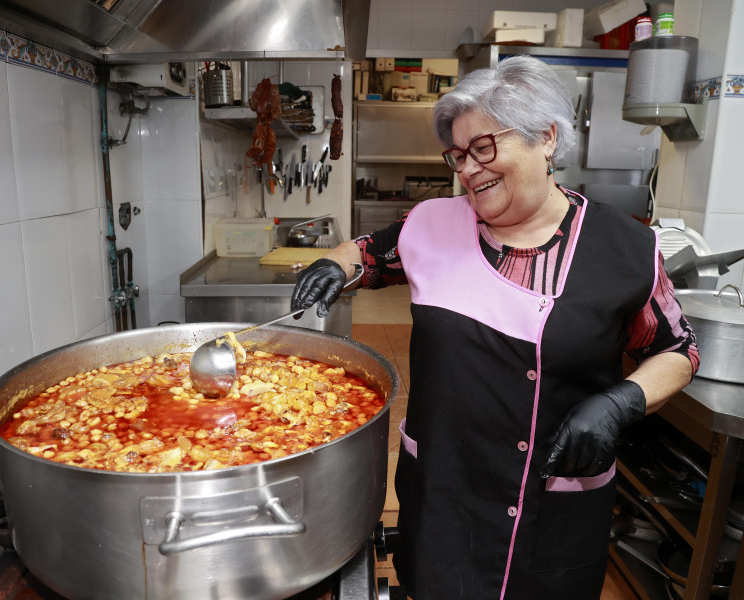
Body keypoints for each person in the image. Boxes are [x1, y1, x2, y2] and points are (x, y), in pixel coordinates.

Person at [290, 56, 699, 599]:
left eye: (484, 148)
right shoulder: (432, 224)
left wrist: (622, 401)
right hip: (444, 492)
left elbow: (680, 350)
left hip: (553, 500)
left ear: (546, 138)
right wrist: (333, 266)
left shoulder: (625, 248)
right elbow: (367, 253)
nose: (467, 169)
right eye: (458, 155)